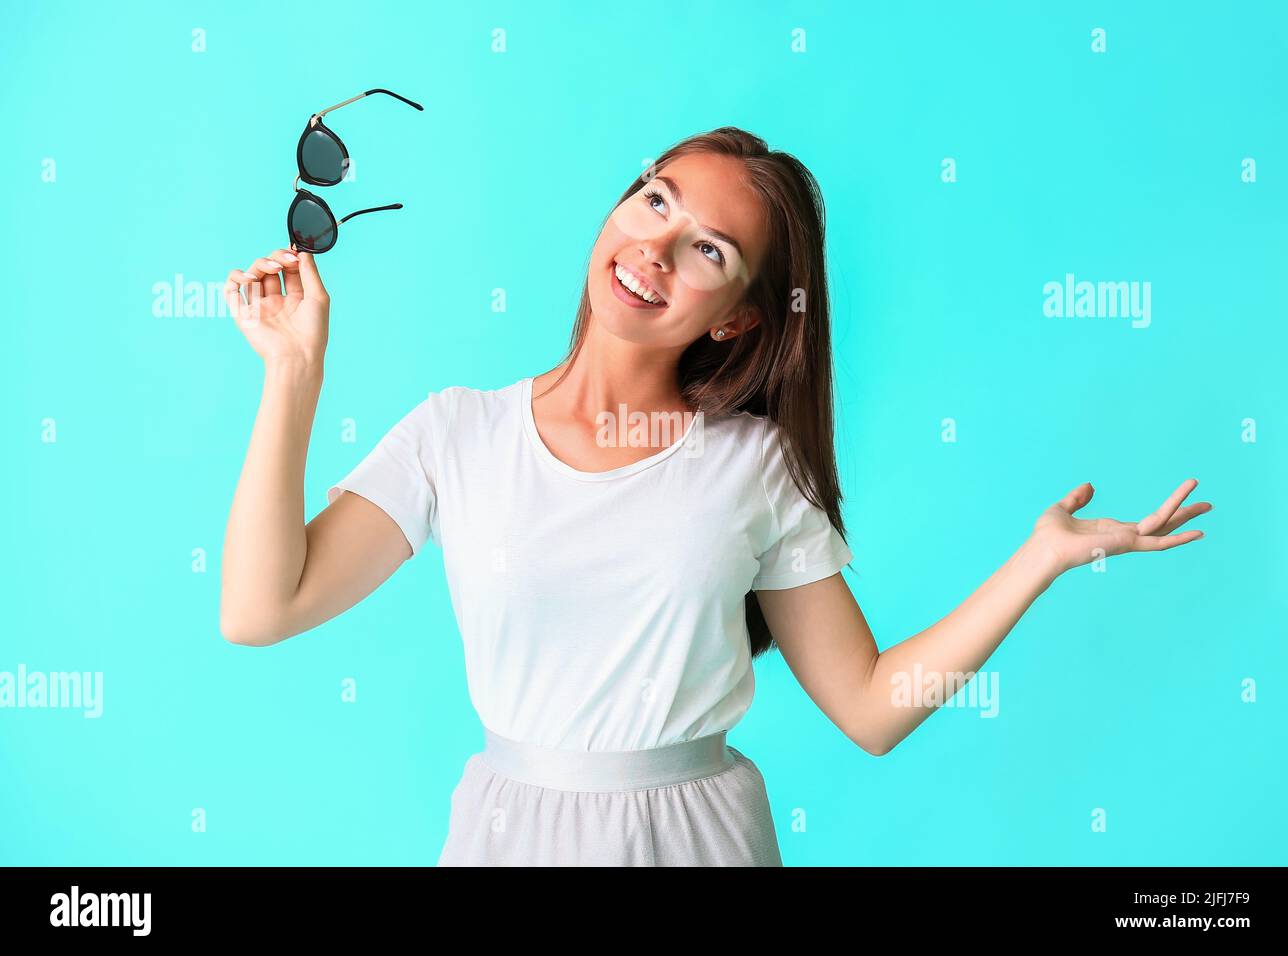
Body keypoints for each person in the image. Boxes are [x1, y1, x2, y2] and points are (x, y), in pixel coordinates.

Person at [218, 127, 1212, 866]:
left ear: (736, 321)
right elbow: (262, 608)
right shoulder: (457, 431)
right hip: (506, 832)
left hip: (697, 835)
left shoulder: (753, 467)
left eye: (709, 249)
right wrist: (293, 372)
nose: (657, 247)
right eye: (656, 201)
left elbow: (870, 706)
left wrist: (1039, 558)